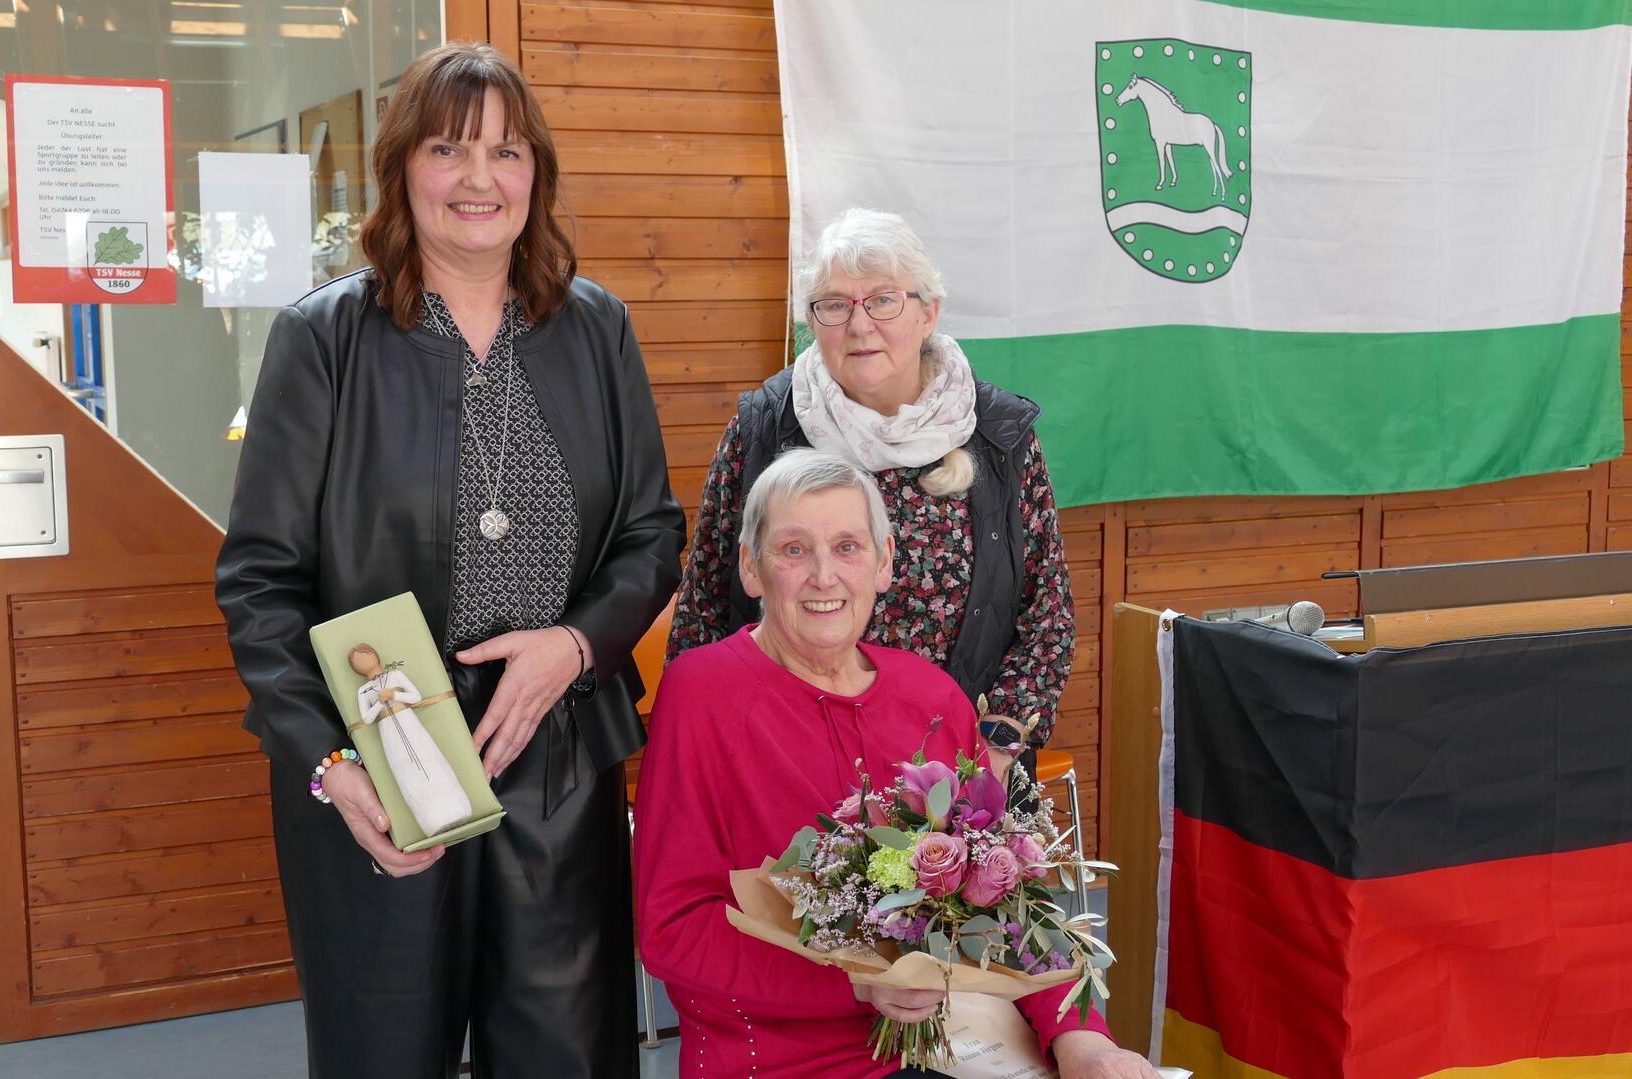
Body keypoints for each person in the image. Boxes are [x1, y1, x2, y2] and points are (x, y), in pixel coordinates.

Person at [214, 41, 683, 1078]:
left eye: (507, 151)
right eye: (448, 148)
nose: (480, 178)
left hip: (556, 757)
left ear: (537, 175)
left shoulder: (595, 327)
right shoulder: (323, 339)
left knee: (568, 1053)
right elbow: (258, 579)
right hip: (382, 760)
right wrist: (333, 767)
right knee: (385, 1049)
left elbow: (653, 531)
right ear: (402, 170)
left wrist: (574, 642)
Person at [636, 449, 1153, 1078]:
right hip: (782, 1059)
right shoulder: (702, 695)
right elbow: (674, 929)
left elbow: (1012, 902)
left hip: (964, 1041)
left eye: (848, 547)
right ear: (751, 567)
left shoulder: (931, 696)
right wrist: (855, 984)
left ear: (883, 563)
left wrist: (1084, 1043)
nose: (824, 576)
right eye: (793, 550)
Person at [667, 207, 1075, 779]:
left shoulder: (998, 437)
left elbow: (1046, 617)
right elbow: (704, 607)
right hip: (782, 761)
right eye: (835, 305)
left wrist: (994, 750)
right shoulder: (764, 427)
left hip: (958, 766)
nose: (859, 327)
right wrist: (717, 748)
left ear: (929, 312)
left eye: (884, 300)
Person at [349, 643, 473, 836]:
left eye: (364, 655)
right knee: (406, 770)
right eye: (358, 661)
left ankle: (457, 807)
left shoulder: (395, 675)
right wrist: (379, 703)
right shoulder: (363, 691)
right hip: (388, 731)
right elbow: (367, 719)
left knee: (429, 759)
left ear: (374, 655)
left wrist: (394, 694)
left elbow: (415, 697)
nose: (363, 661)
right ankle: (431, 821)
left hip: (409, 722)